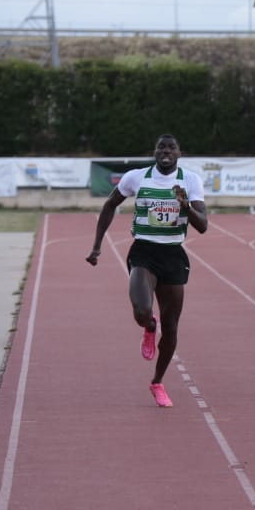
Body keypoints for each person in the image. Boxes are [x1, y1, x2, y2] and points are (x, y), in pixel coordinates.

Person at [86, 133, 209, 408]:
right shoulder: (136, 177)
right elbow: (110, 205)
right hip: (143, 251)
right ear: (155, 151)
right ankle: (149, 326)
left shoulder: (190, 181)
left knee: (172, 326)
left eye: (171, 148)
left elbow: (203, 225)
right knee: (142, 311)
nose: (166, 151)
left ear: (179, 153)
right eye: (161, 147)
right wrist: (96, 246)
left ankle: (157, 382)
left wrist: (186, 206)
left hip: (173, 255)